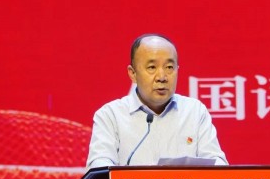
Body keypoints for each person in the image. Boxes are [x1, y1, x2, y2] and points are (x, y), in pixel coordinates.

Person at [86, 34, 228, 168]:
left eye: (169, 67)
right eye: (152, 67)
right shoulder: (110, 115)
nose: (162, 77)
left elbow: (217, 163)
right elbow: (99, 165)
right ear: (133, 73)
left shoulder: (194, 111)